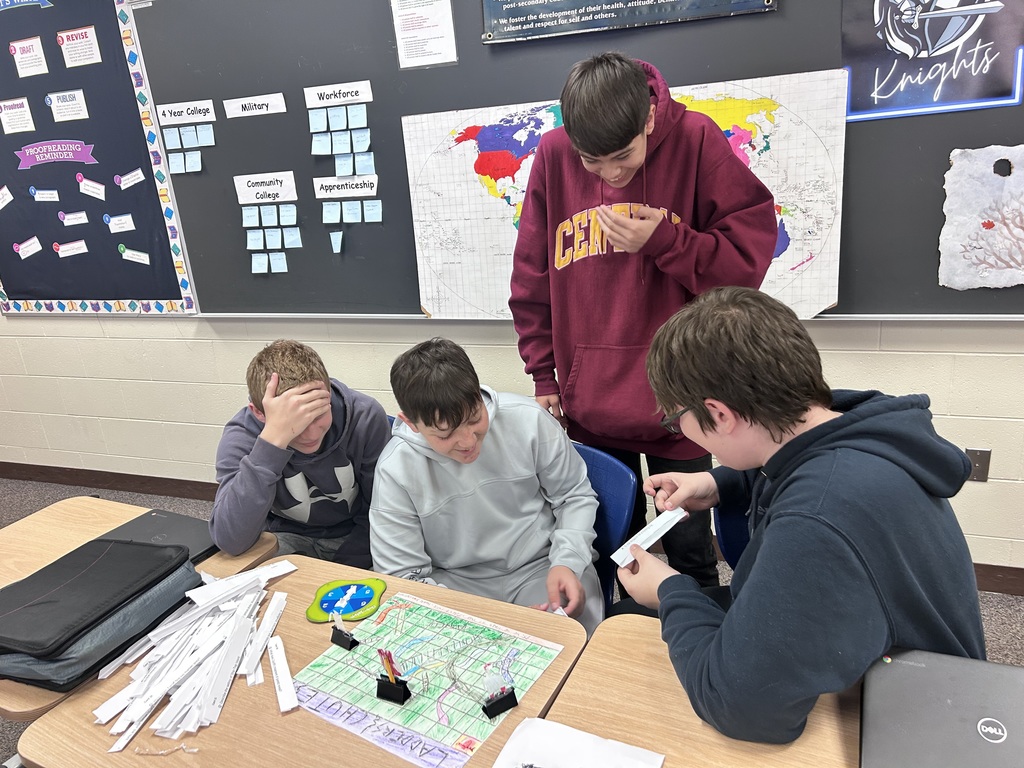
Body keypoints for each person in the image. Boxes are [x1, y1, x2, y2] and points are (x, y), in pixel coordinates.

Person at [617, 286, 986, 744]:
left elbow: (743, 711)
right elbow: (792, 469)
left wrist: (669, 588)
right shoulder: (849, 424)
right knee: (627, 616)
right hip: (892, 663)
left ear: (718, 413)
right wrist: (716, 484)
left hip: (914, 720)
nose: (681, 432)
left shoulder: (818, 518)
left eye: (676, 420)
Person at [509, 52, 778, 588]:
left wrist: (666, 241)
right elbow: (531, 273)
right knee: (612, 549)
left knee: (689, 551)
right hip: (592, 401)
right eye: (591, 160)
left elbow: (744, 266)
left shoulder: (697, 139)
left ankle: (697, 658)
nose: (609, 175)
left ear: (650, 119)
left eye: (623, 156)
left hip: (683, 398)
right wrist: (544, 374)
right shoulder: (553, 153)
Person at [369, 337, 604, 636]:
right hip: (456, 587)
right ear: (411, 423)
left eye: (474, 419)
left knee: (574, 646)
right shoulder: (396, 469)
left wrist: (568, 563)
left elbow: (574, 496)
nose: (468, 442)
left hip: (541, 566)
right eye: (445, 434)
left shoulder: (528, 421)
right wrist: (487, 621)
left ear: (480, 395)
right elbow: (404, 576)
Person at [211, 339, 390, 567]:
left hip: (356, 536)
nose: (310, 434)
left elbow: (383, 511)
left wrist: (343, 568)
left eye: (318, 415)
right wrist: (271, 443)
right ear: (259, 413)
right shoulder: (243, 435)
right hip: (283, 537)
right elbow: (230, 540)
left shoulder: (365, 416)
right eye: (293, 424)